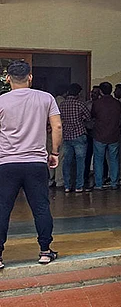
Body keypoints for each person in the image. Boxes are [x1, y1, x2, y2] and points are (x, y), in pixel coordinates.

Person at [0, 61, 62, 268]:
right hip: (36, 162)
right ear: (30, 77)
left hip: (6, 163)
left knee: (2, 208)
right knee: (41, 207)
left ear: (8, 78)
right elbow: (57, 126)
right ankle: (45, 251)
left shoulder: (1, 101)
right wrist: (54, 152)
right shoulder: (46, 98)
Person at [59, 83, 91, 193]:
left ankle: (67, 186)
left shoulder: (62, 105)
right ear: (78, 93)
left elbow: (59, 119)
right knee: (80, 162)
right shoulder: (80, 104)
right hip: (79, 134)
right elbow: (88, 117)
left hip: (67, 136)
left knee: (67, 162)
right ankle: (79, 186)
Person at [91, 82, 121, 190]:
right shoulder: (117, 103)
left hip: (99, 135)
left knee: (98, 160)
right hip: (114, 135)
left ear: (100, 91)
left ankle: (99, 184)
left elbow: (93, 116)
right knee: (114, 160)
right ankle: (114, 183)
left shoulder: (97, 103)